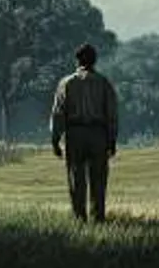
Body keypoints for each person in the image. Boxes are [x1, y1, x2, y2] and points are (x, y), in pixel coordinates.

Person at [50, 43, 119, 223]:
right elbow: (111, 114)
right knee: (98, 180)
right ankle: (98, 218)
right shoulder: (103, 83)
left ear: (77, 60)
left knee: (76, 179)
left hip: (74, 133)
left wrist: (55, 139)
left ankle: (79, 218)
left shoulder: (66, 83)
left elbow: (58, 113)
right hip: (97, 134)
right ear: (94, 60)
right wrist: (112, 140)